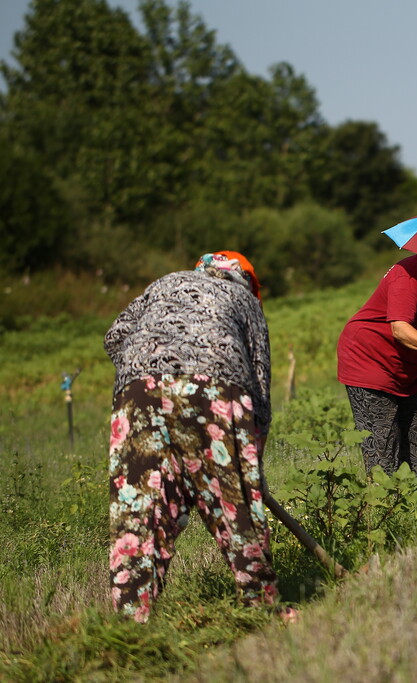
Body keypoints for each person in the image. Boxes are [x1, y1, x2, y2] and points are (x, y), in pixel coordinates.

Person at [105, 251, 289, 622]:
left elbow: (115, 337)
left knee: (140, 507)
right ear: (248, 282)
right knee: (235, 505)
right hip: (214, 387)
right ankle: (262, 606)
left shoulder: (164, 283)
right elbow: (260, 384)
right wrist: (250, 467)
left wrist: (152, 360)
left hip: (138, 390)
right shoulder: (245, 301)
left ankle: (131, 618)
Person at [337, 254, 417, 485]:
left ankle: (413, 502)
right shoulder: (407, 274)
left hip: (407, 368)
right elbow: (400, 329)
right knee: (384, 446)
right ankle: (383, 505)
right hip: (369, 359)